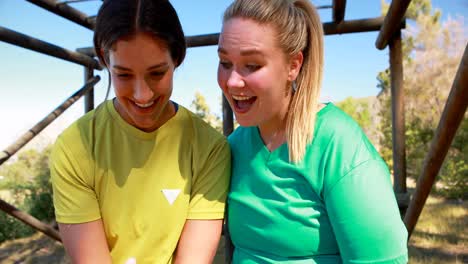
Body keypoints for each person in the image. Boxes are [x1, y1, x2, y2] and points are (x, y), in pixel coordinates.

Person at [217, 0, 408, 263]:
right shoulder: (235, 146)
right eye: (225, 62)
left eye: (252, 65)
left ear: (293, 66)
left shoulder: (337, 145)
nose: (231, 81)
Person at [49, 0, 230, 263]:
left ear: (177, 57)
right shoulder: (75, 147)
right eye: (123, 75)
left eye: (157, 73)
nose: (141, 94)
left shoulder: (210, 149)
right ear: (104, 58)